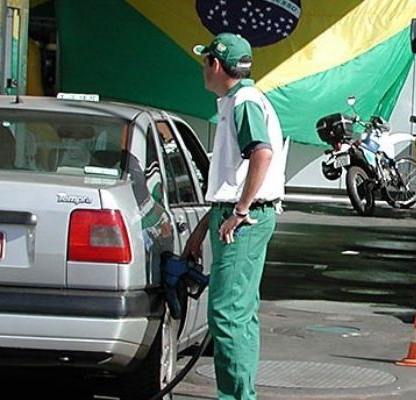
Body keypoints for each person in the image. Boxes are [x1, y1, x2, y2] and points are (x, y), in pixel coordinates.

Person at [182, 33, 286, 400]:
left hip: (246, 221)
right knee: (240, 314)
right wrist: (200, 231)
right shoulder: (237, 102)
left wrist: (239, 212)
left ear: (215, 64)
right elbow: (232, 177)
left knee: (227, 316)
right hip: (238, 216)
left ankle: (238, 397)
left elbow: (262, 154)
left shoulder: (243, 103)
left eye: (205, 61)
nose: (203, 69)